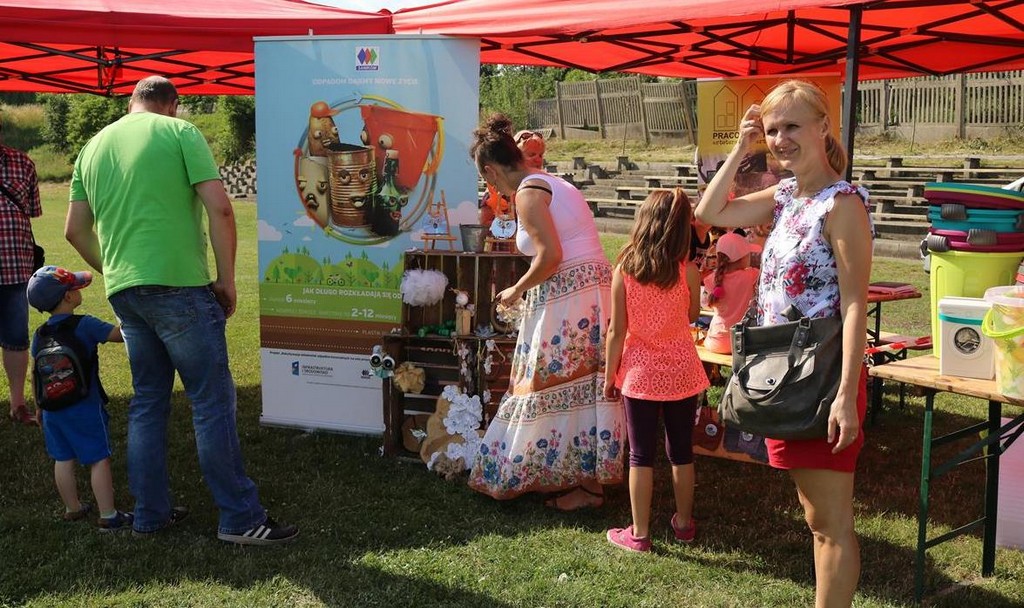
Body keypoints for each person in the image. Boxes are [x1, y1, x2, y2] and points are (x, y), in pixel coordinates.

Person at [65, 75, 298, 545]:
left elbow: (74, 230)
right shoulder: (180, 133)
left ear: (133, 101)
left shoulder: (92, 147)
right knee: (211, 402)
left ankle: (150, 514)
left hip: (127, 292)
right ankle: (239, 517)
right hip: (180, 287)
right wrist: (226, 278)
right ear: (173, 105)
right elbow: (221, 208)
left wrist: (113, 269)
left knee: (148, 403)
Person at [695, 80, 872, 608]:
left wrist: (845, 395)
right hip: (785, 375)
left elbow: (855, 303)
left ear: (823, 126)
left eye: (792, 126)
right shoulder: (787, 195)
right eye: (773, 130)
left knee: (829, 523)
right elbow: (711, 213)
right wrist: (740, 148)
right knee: (815, 517)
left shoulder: (841, 203)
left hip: (823, 378)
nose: (781, 139)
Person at [467, 114, 624, 511]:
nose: (493, 188)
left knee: (551, 385)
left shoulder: (528, 191)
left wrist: (517, 288)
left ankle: (570, 480)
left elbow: (551, 255)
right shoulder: (551, 182)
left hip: (571, 297)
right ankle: (582, 481)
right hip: (586, 292)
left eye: (488, 180)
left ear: (490, 169)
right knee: (581, 387)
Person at [603, 188, 709, 552]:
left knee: (640, 455)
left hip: (639, 374)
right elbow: (693, 315)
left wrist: (608, 376)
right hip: (682, 370)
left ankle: (640, 533)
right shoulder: (689, 272)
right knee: (681, 451)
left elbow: (617, 330)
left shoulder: (625, 270)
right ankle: (683, 524)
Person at [27, 265, 132, 531]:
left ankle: (72, 508)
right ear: (68, 297)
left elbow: (34, 374)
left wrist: (38, 406)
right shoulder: (85, 324)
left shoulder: (39, 335)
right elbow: (120, 335)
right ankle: (108, 515)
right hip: (85, 405)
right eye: (74, 287)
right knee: (98, 458)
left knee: (62, 458)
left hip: (51, 409)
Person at [0, 111, 42, 425]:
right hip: (15, 262)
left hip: (15, 265)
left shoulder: (23, 163)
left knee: (16, 337)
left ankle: (17, 405)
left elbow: (32, 211)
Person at [702, 231, 761, 354]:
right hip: (741, 342)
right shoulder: (751, 275)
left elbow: (705, 304)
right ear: (742, 257)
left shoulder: (711, 279)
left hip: (715, 341)